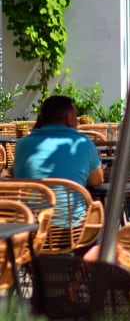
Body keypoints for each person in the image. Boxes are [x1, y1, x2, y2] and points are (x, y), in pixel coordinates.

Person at [14, 96, 105, 225]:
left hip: (29, 228)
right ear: (68, 118)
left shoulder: (22, 144)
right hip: (71, 231)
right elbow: (97, 180)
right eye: (75, 117)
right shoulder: (82, 143)